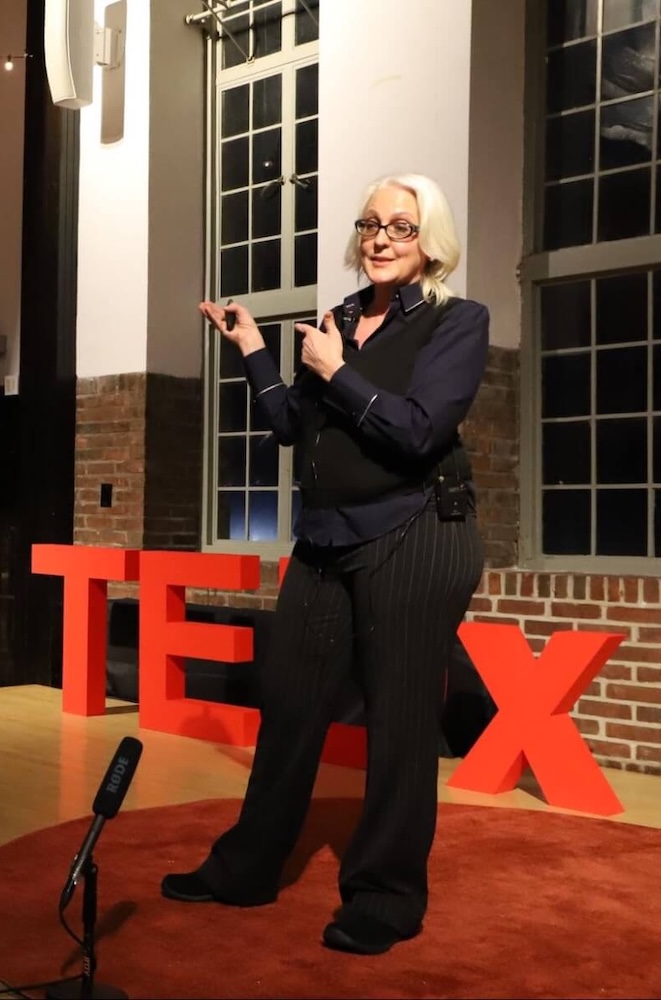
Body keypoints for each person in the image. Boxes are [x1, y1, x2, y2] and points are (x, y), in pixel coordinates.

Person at [161, 174, 487, 955]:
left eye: (400, 227)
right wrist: (251, 350)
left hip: (416, 534)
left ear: (429, 241)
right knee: (290, 703)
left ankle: (385, 895)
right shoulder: (337, 319)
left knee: (399, 722)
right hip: (325, 537)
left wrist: (339, 371)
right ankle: (246, 868)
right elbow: (289, 427)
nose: (379, 238)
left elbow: (416, 433)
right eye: (370, 223)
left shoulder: (457, 322)